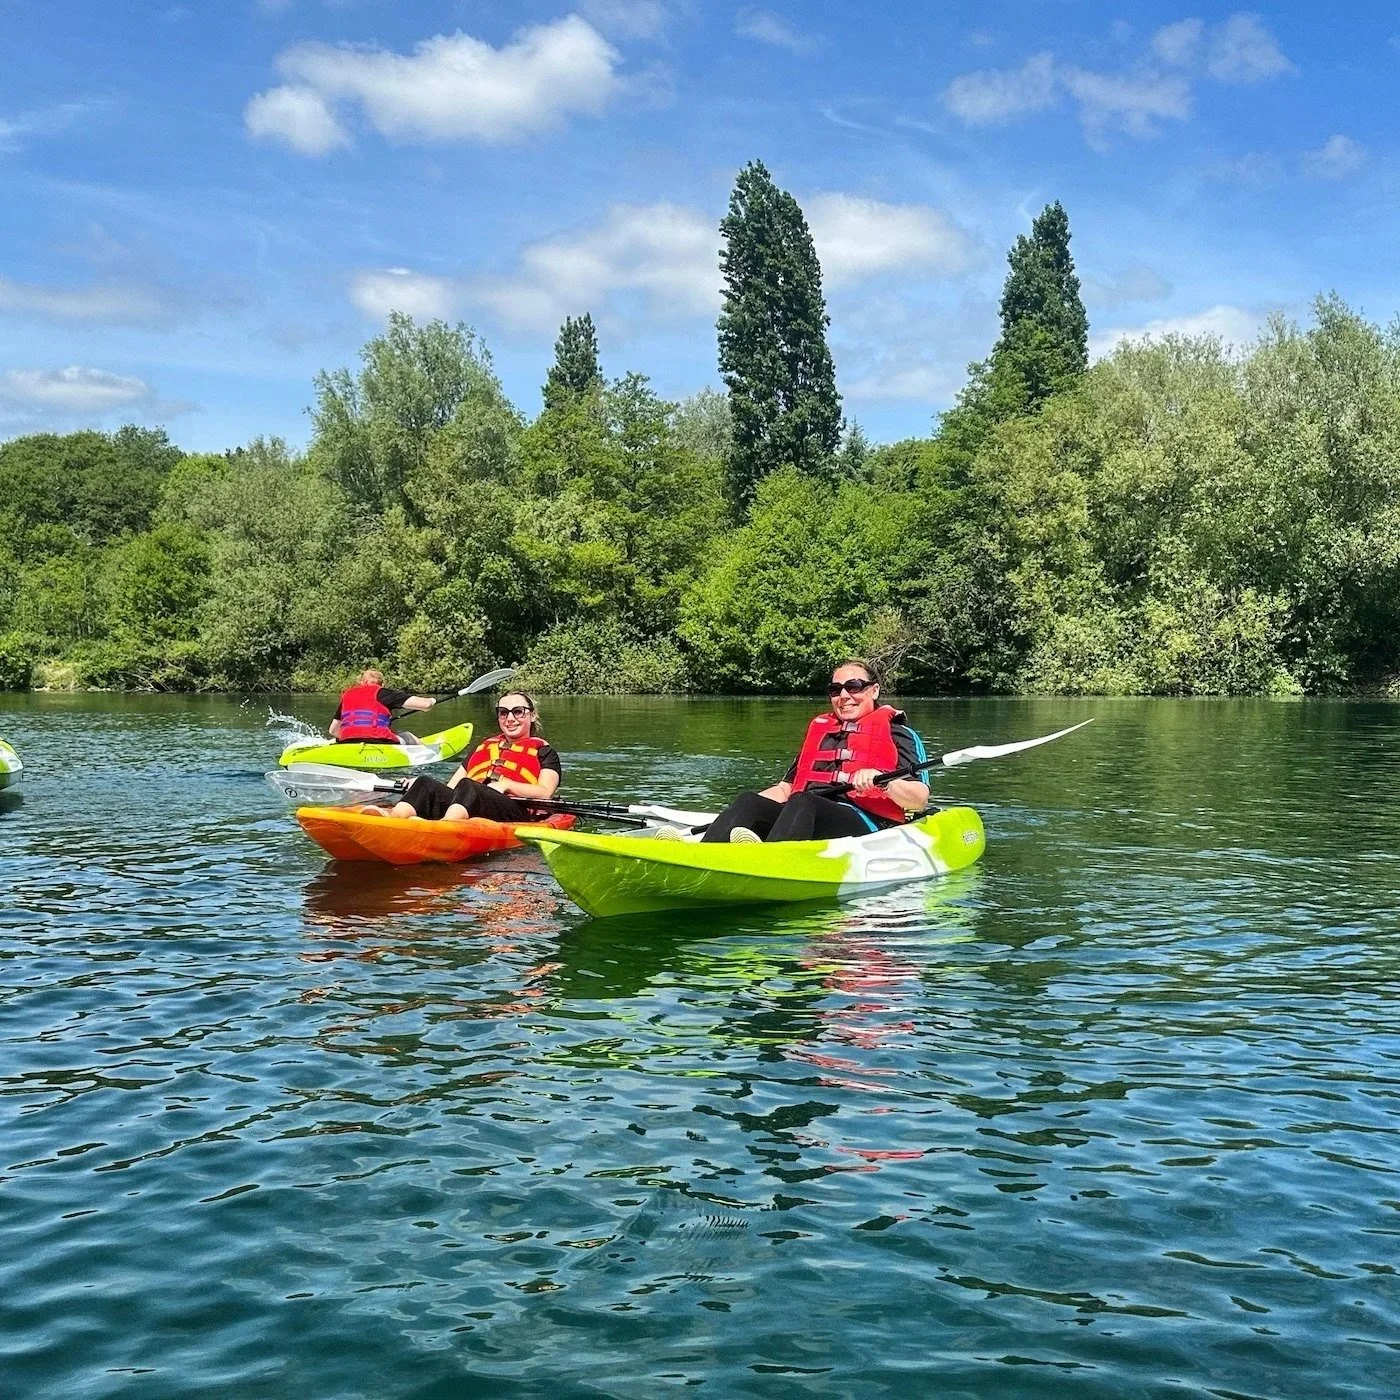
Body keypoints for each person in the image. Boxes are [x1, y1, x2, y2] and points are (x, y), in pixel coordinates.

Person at [698, 660, 930, 843]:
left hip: (868, 820)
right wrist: (745, 813)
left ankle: (770, 861)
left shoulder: (898, 733)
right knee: (748, 801)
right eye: (835, 690)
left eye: (854, 687)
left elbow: (919, 799)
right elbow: (785, 788)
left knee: (803, 802)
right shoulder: (821, 730)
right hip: (803, 812)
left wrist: (884, 783)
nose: (844, 696)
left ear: (874, 691)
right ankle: (703, 855)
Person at [390, 691, 561, 823]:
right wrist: (423, 790)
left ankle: (446, 826)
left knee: (469, 786)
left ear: (531, 715)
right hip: (470, 802)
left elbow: (545, 793)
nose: (510, 718)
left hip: (514, 810)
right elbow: (451, 788)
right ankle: (393, 818)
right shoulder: (482, 748)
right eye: (503, 712)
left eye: (518, 712)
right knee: (425, 783)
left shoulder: (544, 752)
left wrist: (506, 785)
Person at [330, 668, 437, 744]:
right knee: (407, 736)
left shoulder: (348, 695)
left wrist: (355, 737)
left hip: (347, 741)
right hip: (379, 740)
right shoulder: (383, 692)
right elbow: (426, 705)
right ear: (382, 684)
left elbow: (333, 731)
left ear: (362, 682)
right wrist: (432, 700)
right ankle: (427, 756)